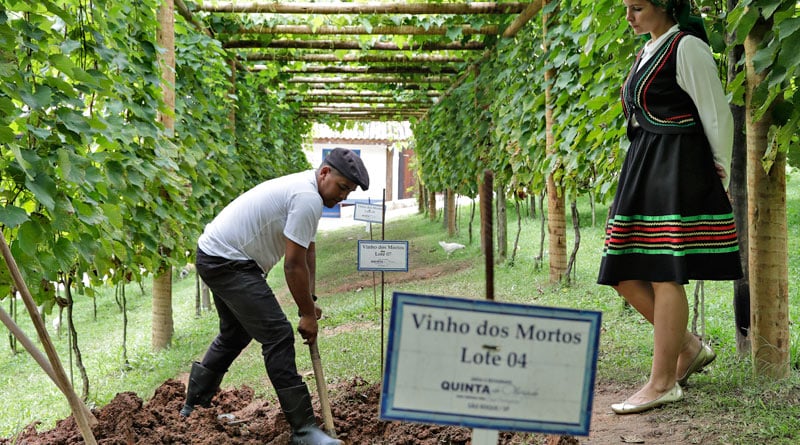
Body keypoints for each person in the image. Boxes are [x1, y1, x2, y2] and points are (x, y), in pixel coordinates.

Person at [598, 0, 743, 414]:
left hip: (679, 165)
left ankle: (662, 383)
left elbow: (717, 116)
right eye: (626, 7)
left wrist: (719, 178)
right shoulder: (646, 50)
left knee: (664, 271)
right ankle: (690, 347)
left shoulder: (687, 47)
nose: (629, 16)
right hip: (645, 164)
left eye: (638, 7)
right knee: (623, 271)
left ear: (666, 5)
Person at [180, 147, 369, 444]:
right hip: (227, 260)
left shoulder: (308, 192)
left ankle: (193, 408)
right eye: (342, 187)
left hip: (218, 255)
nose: (343, 196)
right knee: (278, 334)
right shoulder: (307, 198)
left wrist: (311, 299)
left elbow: (308, 251)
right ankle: (304, 432)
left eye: (349, 191)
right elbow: (293, 265)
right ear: (324, 173)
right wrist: (306, 315)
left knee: (235, 334)